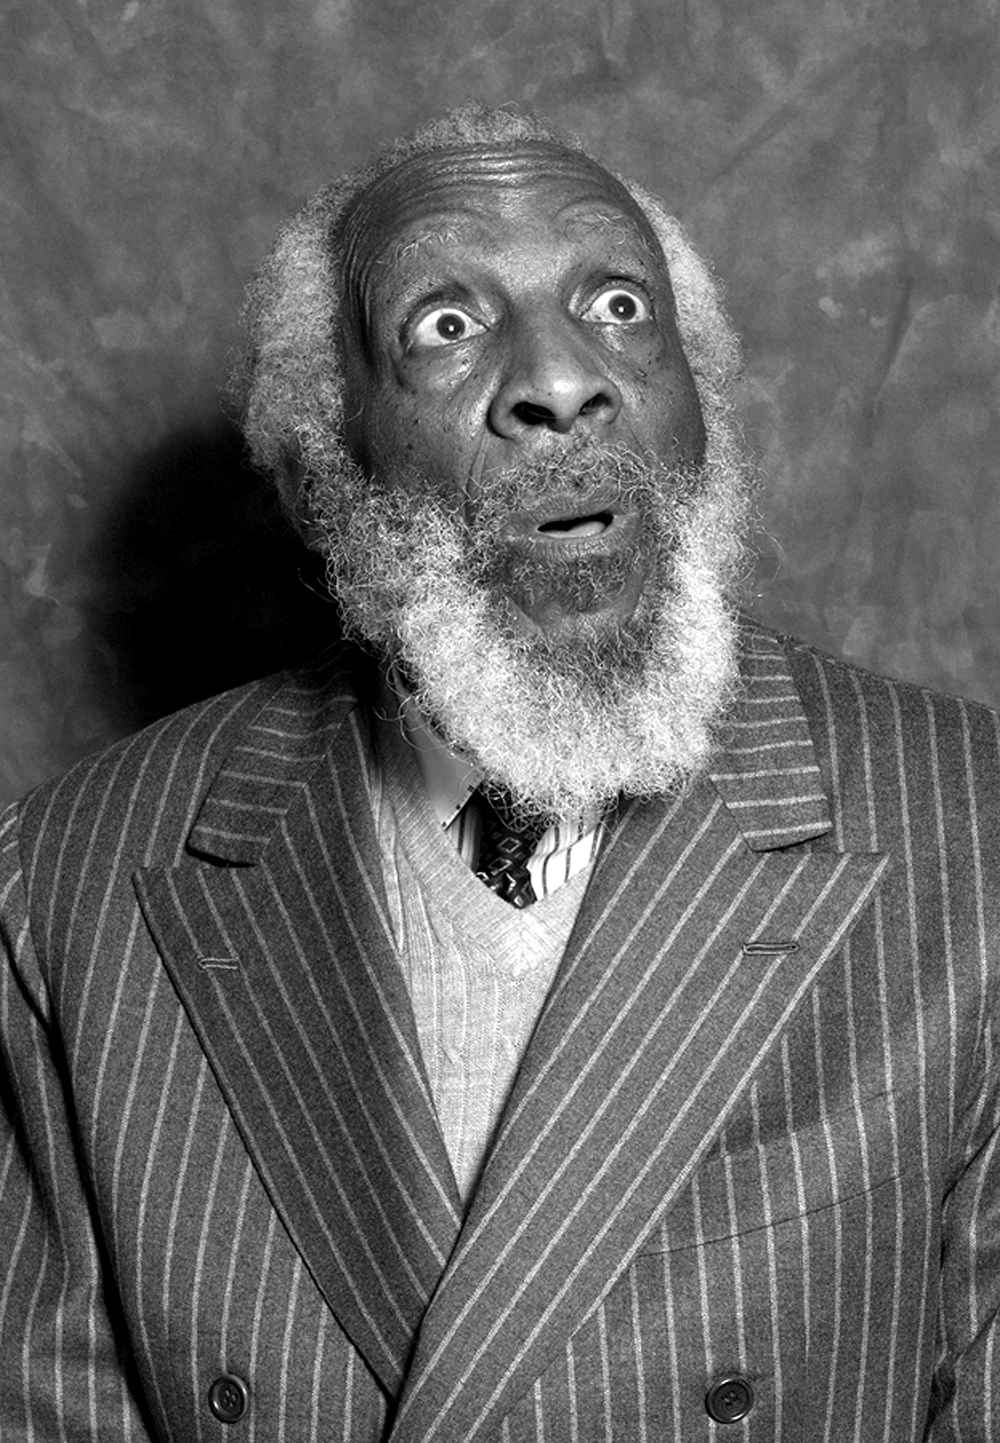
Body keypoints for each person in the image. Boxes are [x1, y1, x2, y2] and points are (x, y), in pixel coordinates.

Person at [1, 104, 998, 1443]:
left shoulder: (970, 831)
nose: (562, 378)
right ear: (322, 466)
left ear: (699, 407)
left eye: (619, 305)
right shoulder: (68, 882)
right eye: (447, 325)